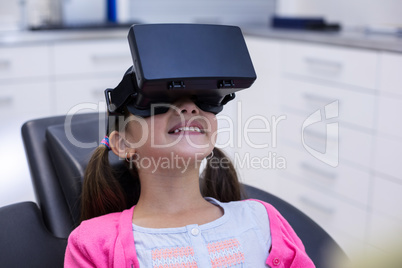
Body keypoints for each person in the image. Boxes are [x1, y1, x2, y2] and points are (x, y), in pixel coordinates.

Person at [64, 24, 315, 267]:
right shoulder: (94, 242)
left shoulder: (262, 220)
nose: (189, 108)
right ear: (123, 142)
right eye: (162, 99)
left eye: (204, 99)